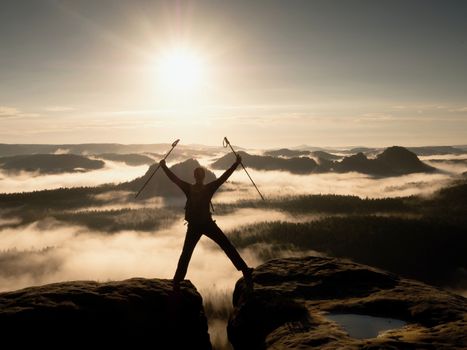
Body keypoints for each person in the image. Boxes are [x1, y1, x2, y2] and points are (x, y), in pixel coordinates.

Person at [160, 154, 253, 292]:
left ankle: (177, 280)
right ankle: (245, 270)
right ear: (203, 177)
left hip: (193, 226)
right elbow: (223, 178)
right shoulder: (209, 188)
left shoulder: (188, 188)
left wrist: (164, 166)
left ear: (194, 176)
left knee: (186, 254)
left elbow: (174, 179)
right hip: (207, 224)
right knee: (227, 245)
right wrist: (236, 164)